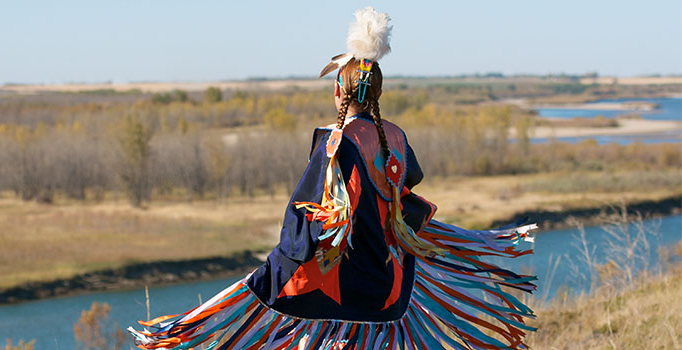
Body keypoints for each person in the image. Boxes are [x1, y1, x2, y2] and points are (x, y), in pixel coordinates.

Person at [129, 7, 536, 350]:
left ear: (341, 92)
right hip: (387, 279)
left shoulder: (335, 142)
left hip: (345, 280)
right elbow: (407, 185)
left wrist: (280, 264)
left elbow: (304, 216)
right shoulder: (394, 134)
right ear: (375, 91)